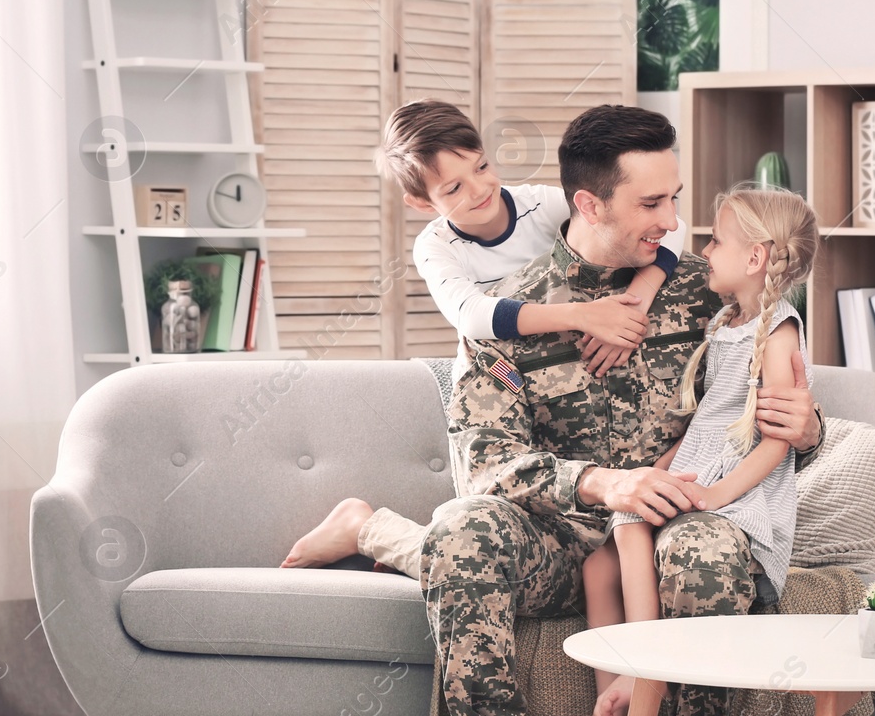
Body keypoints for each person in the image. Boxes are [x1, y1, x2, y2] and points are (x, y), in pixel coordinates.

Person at [420, 105, 823, 716]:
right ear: (589, 204)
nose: (674, 221)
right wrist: (601, 482)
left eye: (676, 199)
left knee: (705, 553)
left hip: (678, 520)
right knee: (458, 529)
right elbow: (487, 459)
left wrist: (808, 428)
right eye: (653, 205)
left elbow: (769, 408)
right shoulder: (505, 316)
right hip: (557, 535)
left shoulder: (707, 288)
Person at [281, 98, 689, 572]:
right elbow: (472, 315)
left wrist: (637, 298)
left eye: (482, 166)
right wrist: (587, 316)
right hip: (495, 372)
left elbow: (662, 229)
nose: (480, 190)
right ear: (420, 202)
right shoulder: (436, 245)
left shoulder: (541, 202)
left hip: (566, 364)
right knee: (478, 533)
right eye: (454, 187)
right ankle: (367, 529)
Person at [541, 183, 819, 716]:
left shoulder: (778, 330)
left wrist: (717, 496)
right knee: (599, 567)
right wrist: (656, 470)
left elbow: (777, 443)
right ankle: (614, 710)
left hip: (737, 491)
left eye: (716, 241)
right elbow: (706, 423)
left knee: (628, 523)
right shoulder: (725, 321)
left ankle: (646, 668)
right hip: (702, 467)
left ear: (755, 258)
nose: (704, 250)